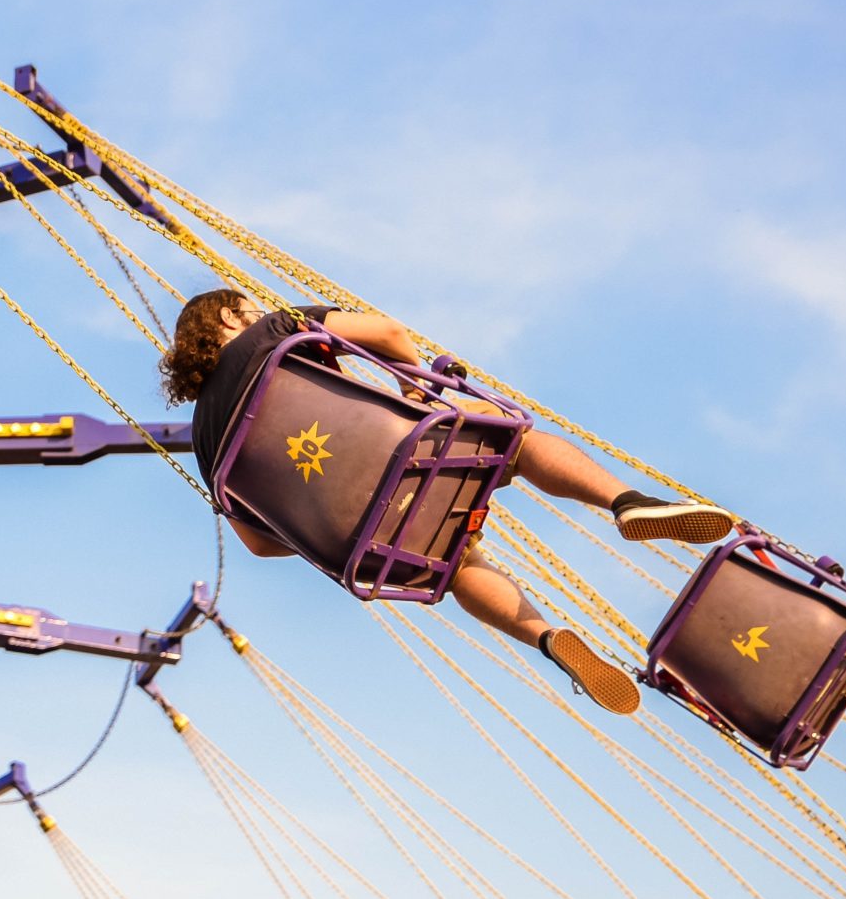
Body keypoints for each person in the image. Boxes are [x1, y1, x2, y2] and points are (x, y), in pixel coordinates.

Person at [161, 290, 736, 716]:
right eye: (249, 306)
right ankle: (626, 502)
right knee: (516, 442)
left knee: (457, 565)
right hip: (408, 454)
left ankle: (544, 637)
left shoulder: (206, 447)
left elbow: (259, 544)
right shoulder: (272, 328)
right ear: (230, 316)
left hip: (367, 535)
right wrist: (416, 386)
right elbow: (387, 333)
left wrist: (328, 519)